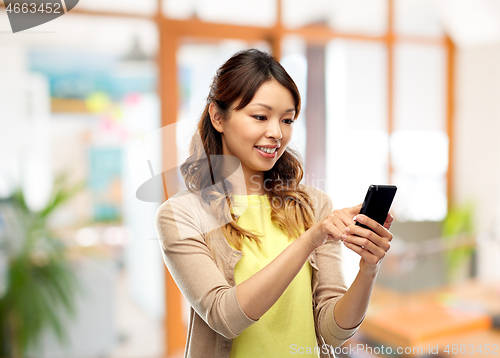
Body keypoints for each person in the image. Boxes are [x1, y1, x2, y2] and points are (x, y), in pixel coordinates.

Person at [155, 48, 394, 358]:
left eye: (287, 119)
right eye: (260, 116)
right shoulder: (181, 215)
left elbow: (333, 333)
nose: (276, 133)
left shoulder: (314, 205)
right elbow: (224, 317)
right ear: (218, 116)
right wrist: (311, 239)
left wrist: (368, 268)